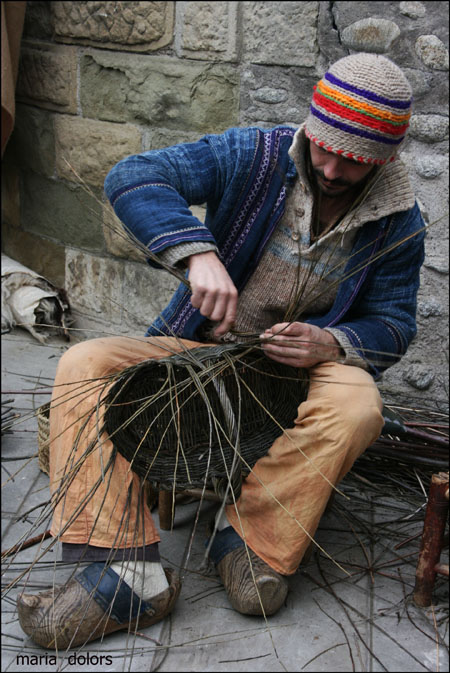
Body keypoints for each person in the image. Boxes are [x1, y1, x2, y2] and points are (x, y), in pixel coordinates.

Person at [17, 53, 425, 649]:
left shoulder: (400, 223)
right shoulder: (256, 156)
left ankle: (252, 542)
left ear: (386, 159)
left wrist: (331, 342)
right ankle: (123, 570)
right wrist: (196, 252)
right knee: (86, 364)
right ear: (310, 128)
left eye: (356, 161)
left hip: (301, 375)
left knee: (360, 404)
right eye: (324, 148)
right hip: (201, 351)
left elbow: (393, 323)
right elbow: (133, 176)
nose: (334, 169)